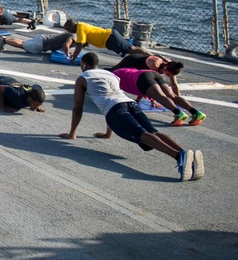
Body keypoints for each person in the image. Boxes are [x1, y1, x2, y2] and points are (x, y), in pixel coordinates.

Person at [60, 53, 204, 182]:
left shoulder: (83, 78)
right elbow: (112, 96)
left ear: (84, 64)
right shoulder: (112, 75)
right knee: (154, 132)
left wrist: (72, 133)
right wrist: (107, 133)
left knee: (141, 134)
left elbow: (78, 108)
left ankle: (179, 157)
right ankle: (185, 153)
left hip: (115, 109)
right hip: (131, 103)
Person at [110, 67, 206, 126]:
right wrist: (140, 101)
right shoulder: (123, 70)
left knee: (159, 96)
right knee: (172, 96)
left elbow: (116, 91)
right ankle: (196, 113)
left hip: (142, 78)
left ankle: (178, 113)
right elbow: (141, 89)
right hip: (150, 73)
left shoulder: (113, 76)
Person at [63, 18, 147, 61]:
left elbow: (79, 45)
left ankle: (151, 56)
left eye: (68, 29)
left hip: (110, 37)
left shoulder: (80, 28)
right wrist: (74, 54)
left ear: (73, 25)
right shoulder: (80, 27)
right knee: (129, 51)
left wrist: (74, 58)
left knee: (131, 49)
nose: (69, 31)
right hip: (109, 39)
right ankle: (146, 57)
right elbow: (84, 43)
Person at [109, 53, 185, 96]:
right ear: (165, 68)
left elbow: (174, 85)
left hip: (140, 64)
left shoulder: (173, 66)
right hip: (132, 61)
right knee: (112, 74)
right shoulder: (155, 65)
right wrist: (153, 101)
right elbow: (147, 83)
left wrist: (178, 99)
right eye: (168, 75)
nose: (168, 77)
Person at [0, 32, 75, 56]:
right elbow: (66, 45)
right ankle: (4, 41)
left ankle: (4, 39)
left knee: (24, 42)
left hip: (44, 38)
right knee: (23, 45)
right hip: (42, 44)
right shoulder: (74, 37)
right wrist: (68, 55)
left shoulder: (73, 34)